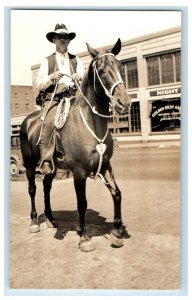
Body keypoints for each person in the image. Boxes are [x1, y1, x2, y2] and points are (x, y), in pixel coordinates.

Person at [35, 23, 85, 175]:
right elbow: (38, 84)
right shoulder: (47, 61)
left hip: (74, 97)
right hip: (54, 98)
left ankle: (90, 154)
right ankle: (46, 159)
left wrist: (79, 76)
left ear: (69, 41)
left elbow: (84, 76)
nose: (62, 40)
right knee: (49, 120)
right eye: (59, 37)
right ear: (54, 40)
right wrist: (50, 78)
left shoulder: (76, 60)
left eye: (65, 37)